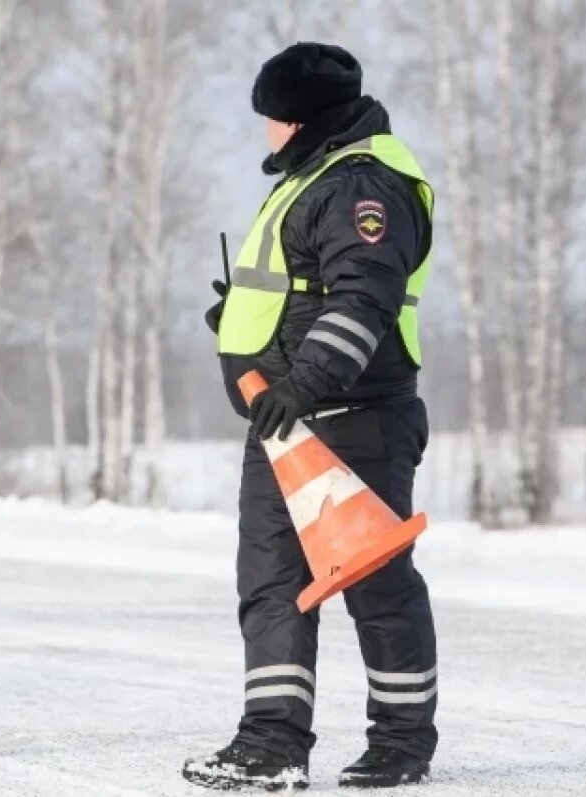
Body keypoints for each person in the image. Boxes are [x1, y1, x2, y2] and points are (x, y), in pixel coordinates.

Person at [184, 43, 438, 790]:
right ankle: (271, 742)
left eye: (272, 117)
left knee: (375, 585)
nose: (265, 131)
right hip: (285, 424)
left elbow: (364, 299)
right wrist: (245, 322)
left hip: (352, 418)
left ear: (301, 119)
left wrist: (306, 379)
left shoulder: (363, 185)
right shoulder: (312, 180)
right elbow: (304, 288)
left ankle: (401, 743)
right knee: (269, 583)